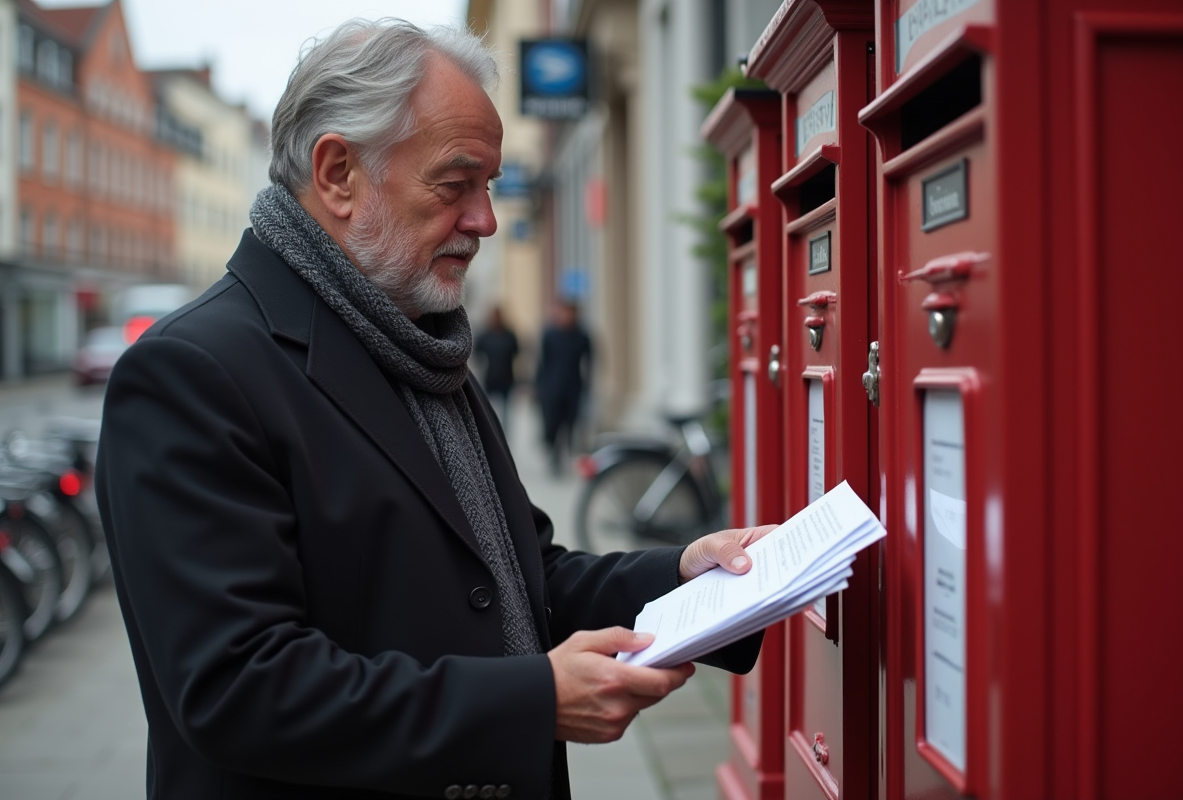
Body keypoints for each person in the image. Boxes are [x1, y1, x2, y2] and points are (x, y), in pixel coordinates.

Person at [95, 19, 769, 800]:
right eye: (455, 185)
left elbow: (519, 577)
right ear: (339, 174)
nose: (485, 219)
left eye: (490, 185)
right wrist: (532, 702)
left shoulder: (418, 343)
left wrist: (690, 578)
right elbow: (239, 687)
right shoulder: (193, 372)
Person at [535, 300, 592, 474]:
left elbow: (590, 361)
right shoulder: (550, 335)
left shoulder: (582, 336)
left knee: (569, 423)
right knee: (552, 423)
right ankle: (554, 453)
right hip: (552, 387)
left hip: (573, 387)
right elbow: (542, 362)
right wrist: (538, 386)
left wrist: (587, 385)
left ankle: (563, 453)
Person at [474, 305, 521, 430]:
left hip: (506, 378)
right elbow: (477, 353)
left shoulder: (509, 335)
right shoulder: (485, 335)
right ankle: (490, 430)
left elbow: (516, 352)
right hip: (490, 378)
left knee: (506, 411)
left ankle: (503, 433)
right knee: (487, 409)